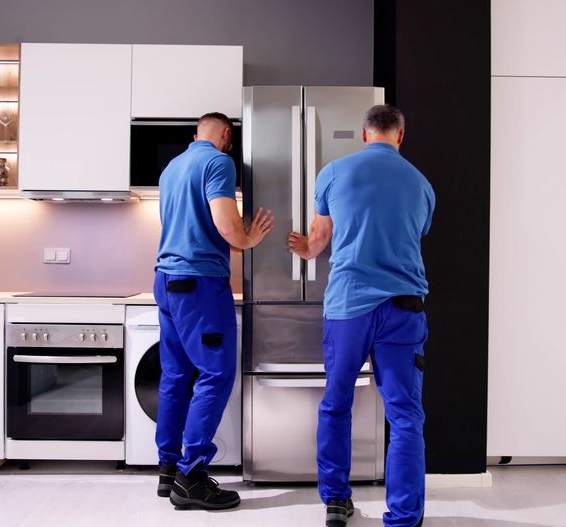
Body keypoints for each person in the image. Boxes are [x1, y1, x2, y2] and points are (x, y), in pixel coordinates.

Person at [288, 104, 435, 527]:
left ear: (365, 134)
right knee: (405, 414)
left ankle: (336, 501)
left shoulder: (334, 172)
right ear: (400, 136)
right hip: (403, 308)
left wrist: (304, 249)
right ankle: (405, 516)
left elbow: (318, 239)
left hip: (349, 306)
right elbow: (414, 232)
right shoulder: (422, 184)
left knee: (336, 403)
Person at [155, 112, 274, 510]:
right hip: (200, 285)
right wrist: (249, 238)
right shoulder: (218, 162)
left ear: (195, 135)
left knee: (176, 375)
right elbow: (227, 225)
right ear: (226, 135)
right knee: (217, 372)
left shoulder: (173, 167)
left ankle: (168, 468)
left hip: (168, 281)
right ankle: (191, 477)